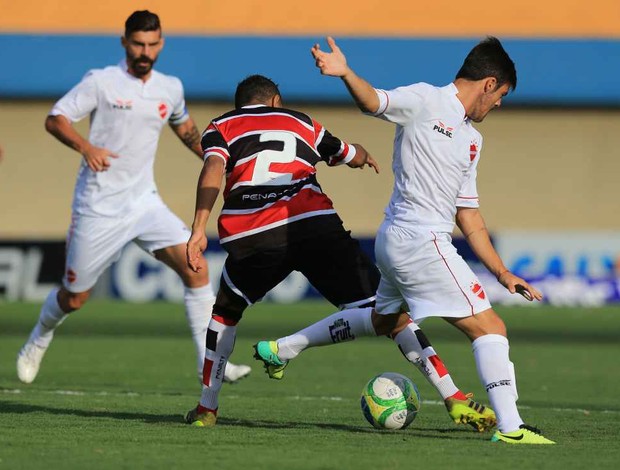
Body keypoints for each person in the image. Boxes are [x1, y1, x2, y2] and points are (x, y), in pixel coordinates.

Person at [256, 36, 555, 444]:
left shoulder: (472, 140)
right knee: (490, 327)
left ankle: (283, 347)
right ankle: (511, 428)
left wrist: (501, 272)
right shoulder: (425, 99)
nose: (499, 103)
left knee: (386, 320)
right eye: (501, 94)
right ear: (488, 83)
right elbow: (372, 102)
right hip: (419, 239)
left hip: (396, 240)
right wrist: (345, 73)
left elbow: (468, 213)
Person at [184, 74, 495, 431]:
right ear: (275, 101)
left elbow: (212, 168)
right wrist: (362, 157)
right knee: (390, 315)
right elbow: (347, 152)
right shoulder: (301, 121)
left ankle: (207, 408)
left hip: (255, 234)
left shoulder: (221, 125)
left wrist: (198, 229)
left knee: (224, 312)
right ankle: (453, 396)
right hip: (315, 226)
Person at [16, 10, 250, 387]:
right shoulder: (101, 82)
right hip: (98, 207)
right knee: (74, 298)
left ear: (161, 44)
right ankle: (39, 337)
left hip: (144, 203)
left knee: (197, 268)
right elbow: (55, 118)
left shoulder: (170, 88)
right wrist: (85, 146)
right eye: (137, 44)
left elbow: (189, 132)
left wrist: (227, 164)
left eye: (151, 44)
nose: (144, 51)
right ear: (124, 43)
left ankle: (208, 365)